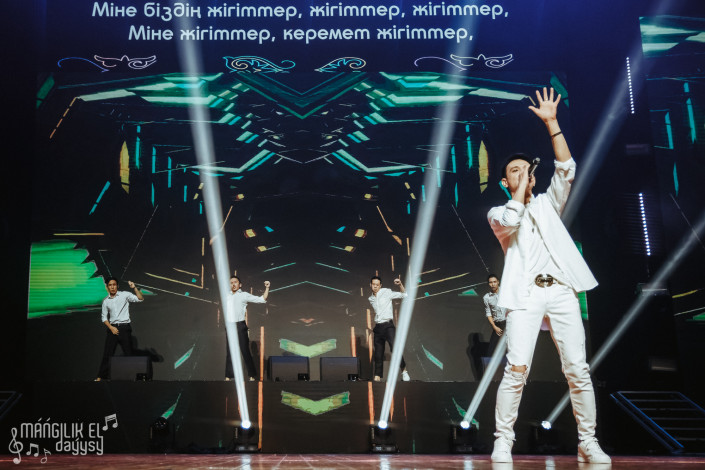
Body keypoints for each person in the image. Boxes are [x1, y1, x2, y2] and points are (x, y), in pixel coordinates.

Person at [487, 87, 610, 464]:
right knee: (516, 369)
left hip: (560, 292)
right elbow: (511, 220)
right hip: (524, 296)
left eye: (526, 169)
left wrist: (553, 124)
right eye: (514, 170)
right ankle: (503, 440)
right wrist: (518, 190)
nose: (523, 173)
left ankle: (588, 441)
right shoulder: (497, 213)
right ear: (505, 182)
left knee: (578, 369)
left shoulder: (547, 204)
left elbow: (566, 168)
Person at [96, 277, 144, 381]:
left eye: (114, 285)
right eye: (110, 285)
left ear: (117, 286)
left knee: (129, 353)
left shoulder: (124, 295)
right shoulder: (106, 301)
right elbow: (104, 318)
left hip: (124, 328)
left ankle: (136, 377)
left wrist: (134, 288)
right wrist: (111, 328)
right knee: (107, 353)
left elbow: (140, 299)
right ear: (107, 287)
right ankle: (101, 377)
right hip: (112, 328)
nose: (112, 287)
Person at [225, 276, 269, 381]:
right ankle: (228, 376)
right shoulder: (227, 296)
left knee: (245, 350)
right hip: (230, 326)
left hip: (240, 325)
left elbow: (261, 299)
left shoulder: (244, 295)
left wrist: (267, 288)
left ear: (240, 284)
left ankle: (251, 375)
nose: (233, 284)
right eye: (231, 282)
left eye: (235, 282)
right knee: (230, 352)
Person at [368, 275, 411, 382]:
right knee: (378, 354)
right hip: (378, 327)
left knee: (395, 349)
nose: (375, 286)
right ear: (370, 285)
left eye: (377, 285)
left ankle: (404, 371)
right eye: (373, 284)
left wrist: (400, 285)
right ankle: (377, 376)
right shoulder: (370, 298)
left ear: (380, 285)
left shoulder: (386, 292)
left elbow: (404, 295)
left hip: (388, 326)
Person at [483, 273, 506, 356]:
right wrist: (494, 326)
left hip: (508, 323)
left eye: (494, 282)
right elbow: (488, 313)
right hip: (498, 325)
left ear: (498, 282)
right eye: (491, 282)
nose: (493, 284)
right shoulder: (487, 297)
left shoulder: (505, 292)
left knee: (512, 348)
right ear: (488, 284)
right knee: (491, 351)